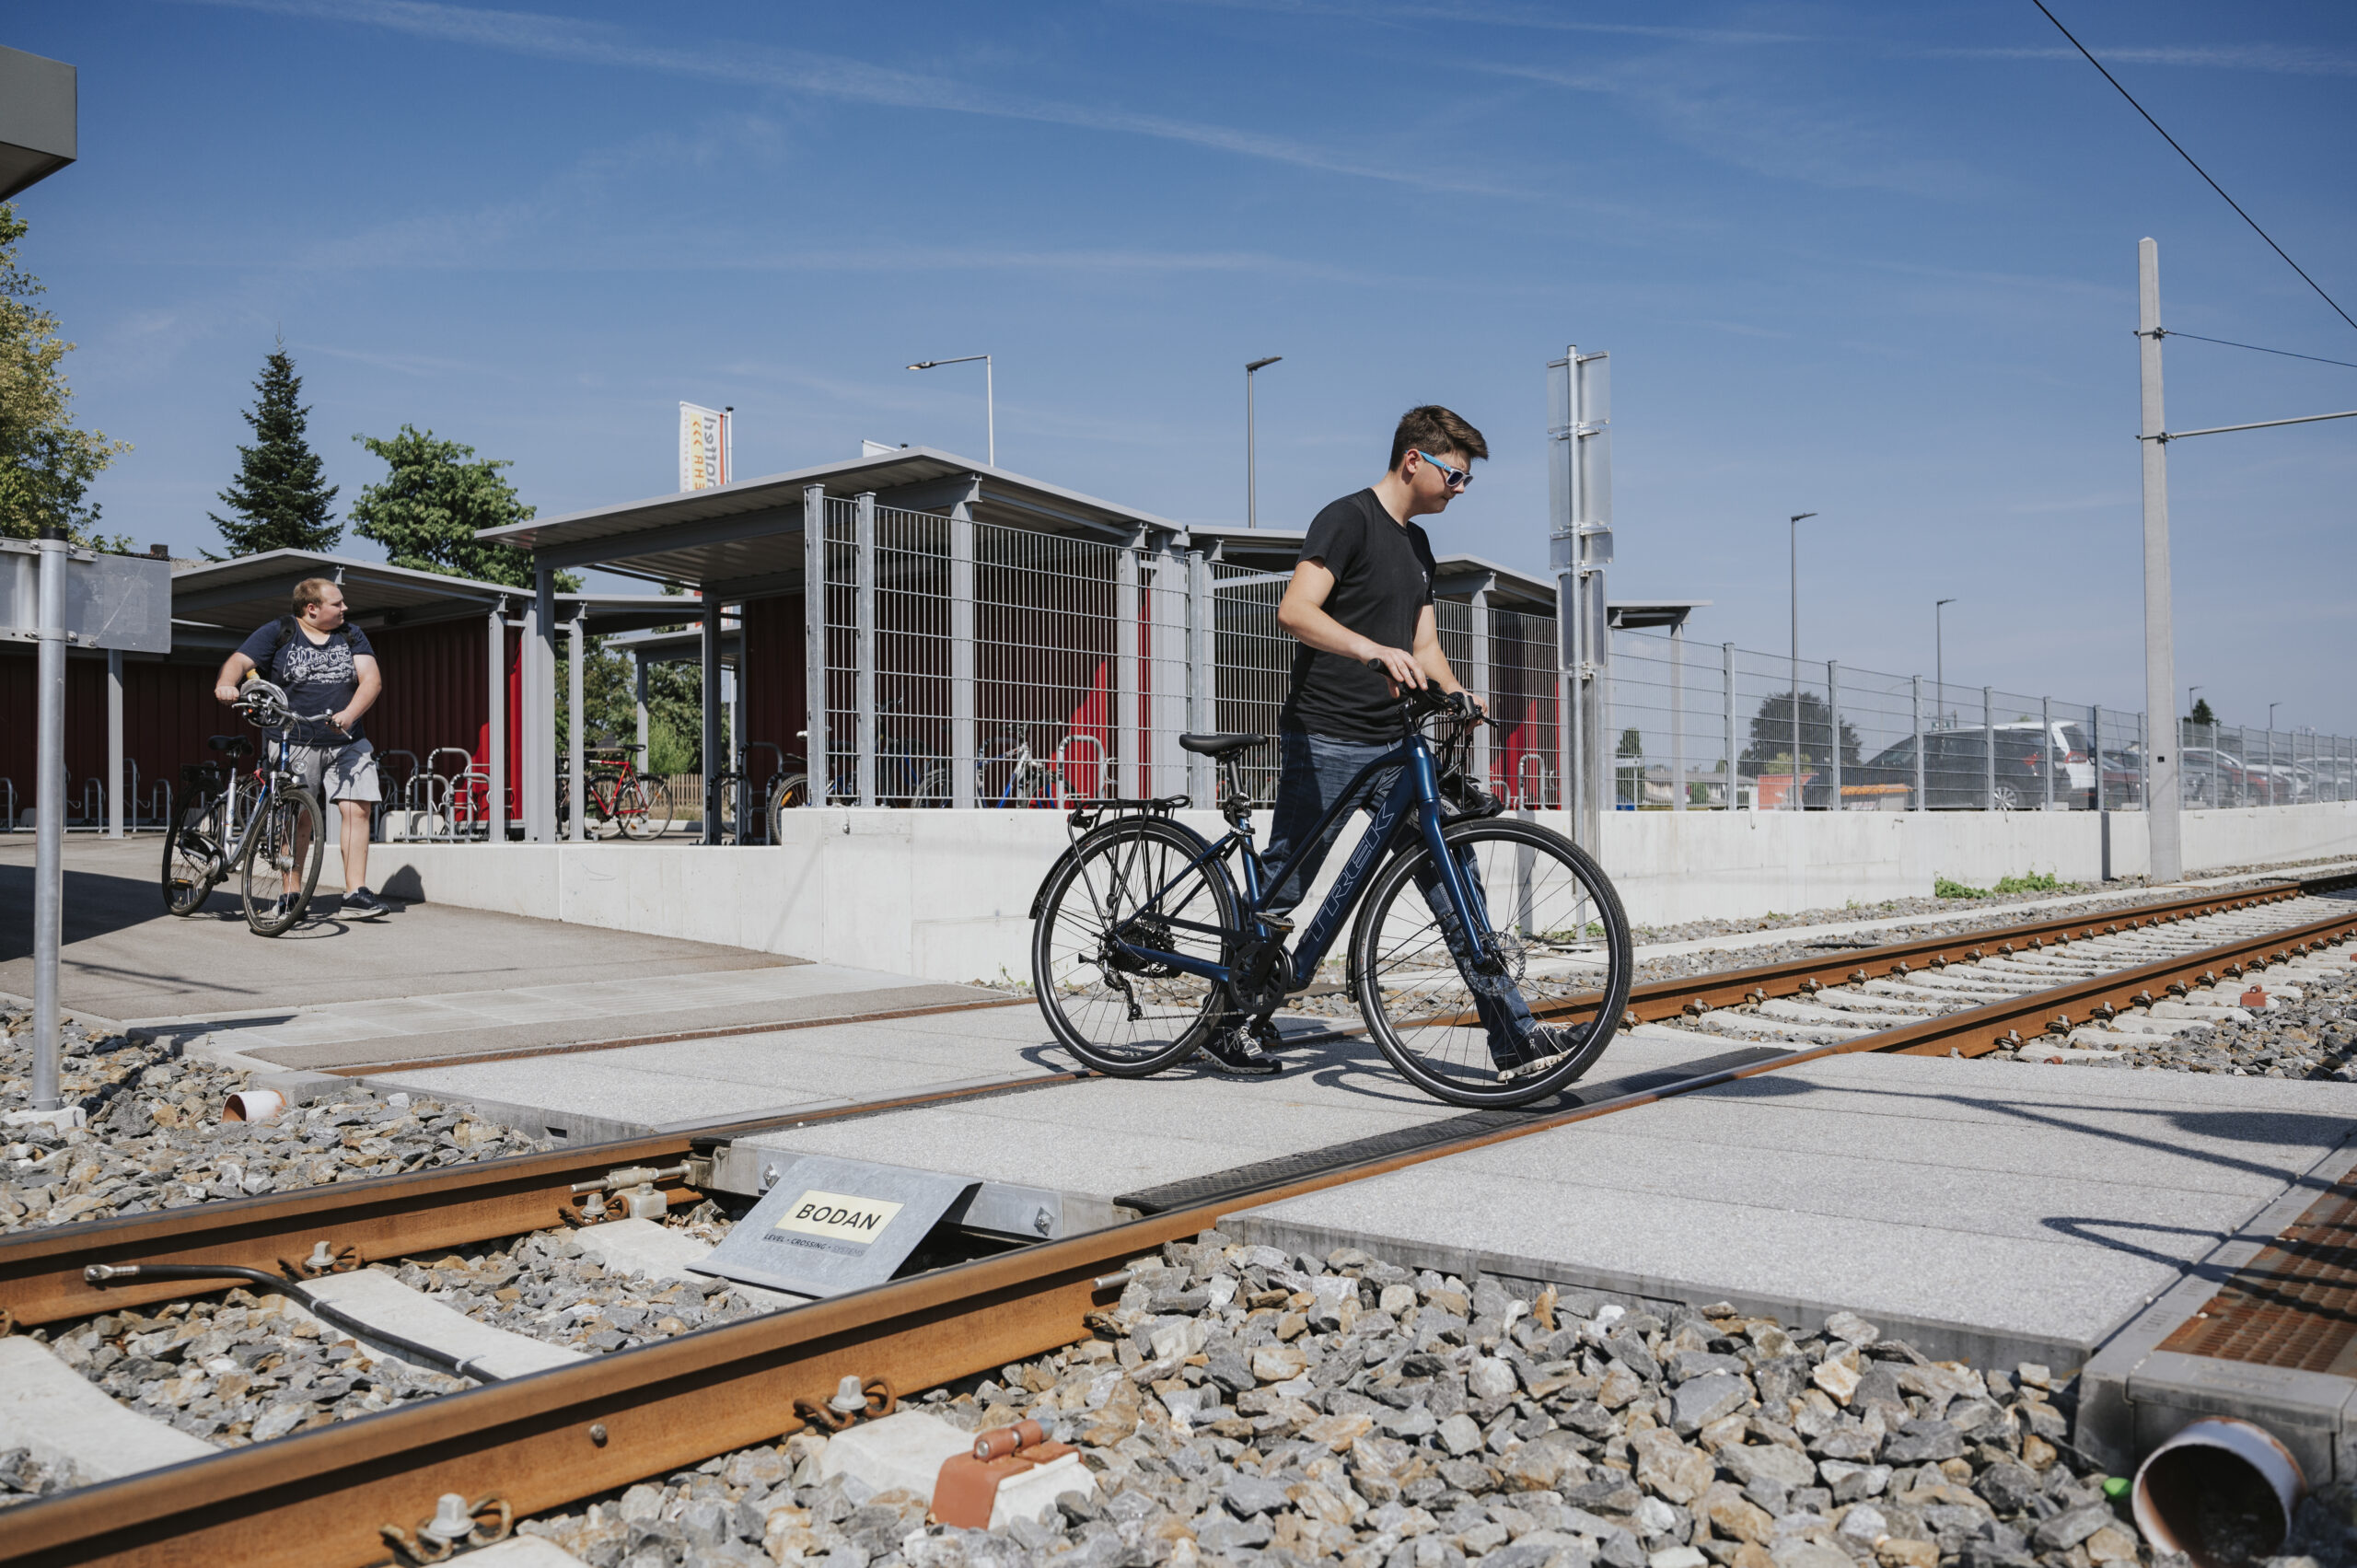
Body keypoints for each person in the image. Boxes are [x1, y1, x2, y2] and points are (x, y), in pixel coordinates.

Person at [1213, 405, 1559, 1075]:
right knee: (1284, 885)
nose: (1461, 490)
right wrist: (1370, 649)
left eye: (1465, 480)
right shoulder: (1346, 519)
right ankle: (1231, 1020)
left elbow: (1423, 643)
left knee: (1453, 874)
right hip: (1327, 736)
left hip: (1394, 745)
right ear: (1413, 461)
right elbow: (1295, 610)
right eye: (1455, 476)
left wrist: (1456, 691)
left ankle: (1512, 1036)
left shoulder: (1418, 545)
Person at [215, 578, 389, 920]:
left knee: (358, 809)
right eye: (337, 604)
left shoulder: (351, 634)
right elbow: (238, 661)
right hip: (292, 741)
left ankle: (355, 892)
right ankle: (291, 893)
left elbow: (372, 680)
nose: (345, 609)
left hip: (347, 740)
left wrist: (350, 716)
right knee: (299, 816)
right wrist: (225, 684)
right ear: (312, 608)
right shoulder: (279, 631)